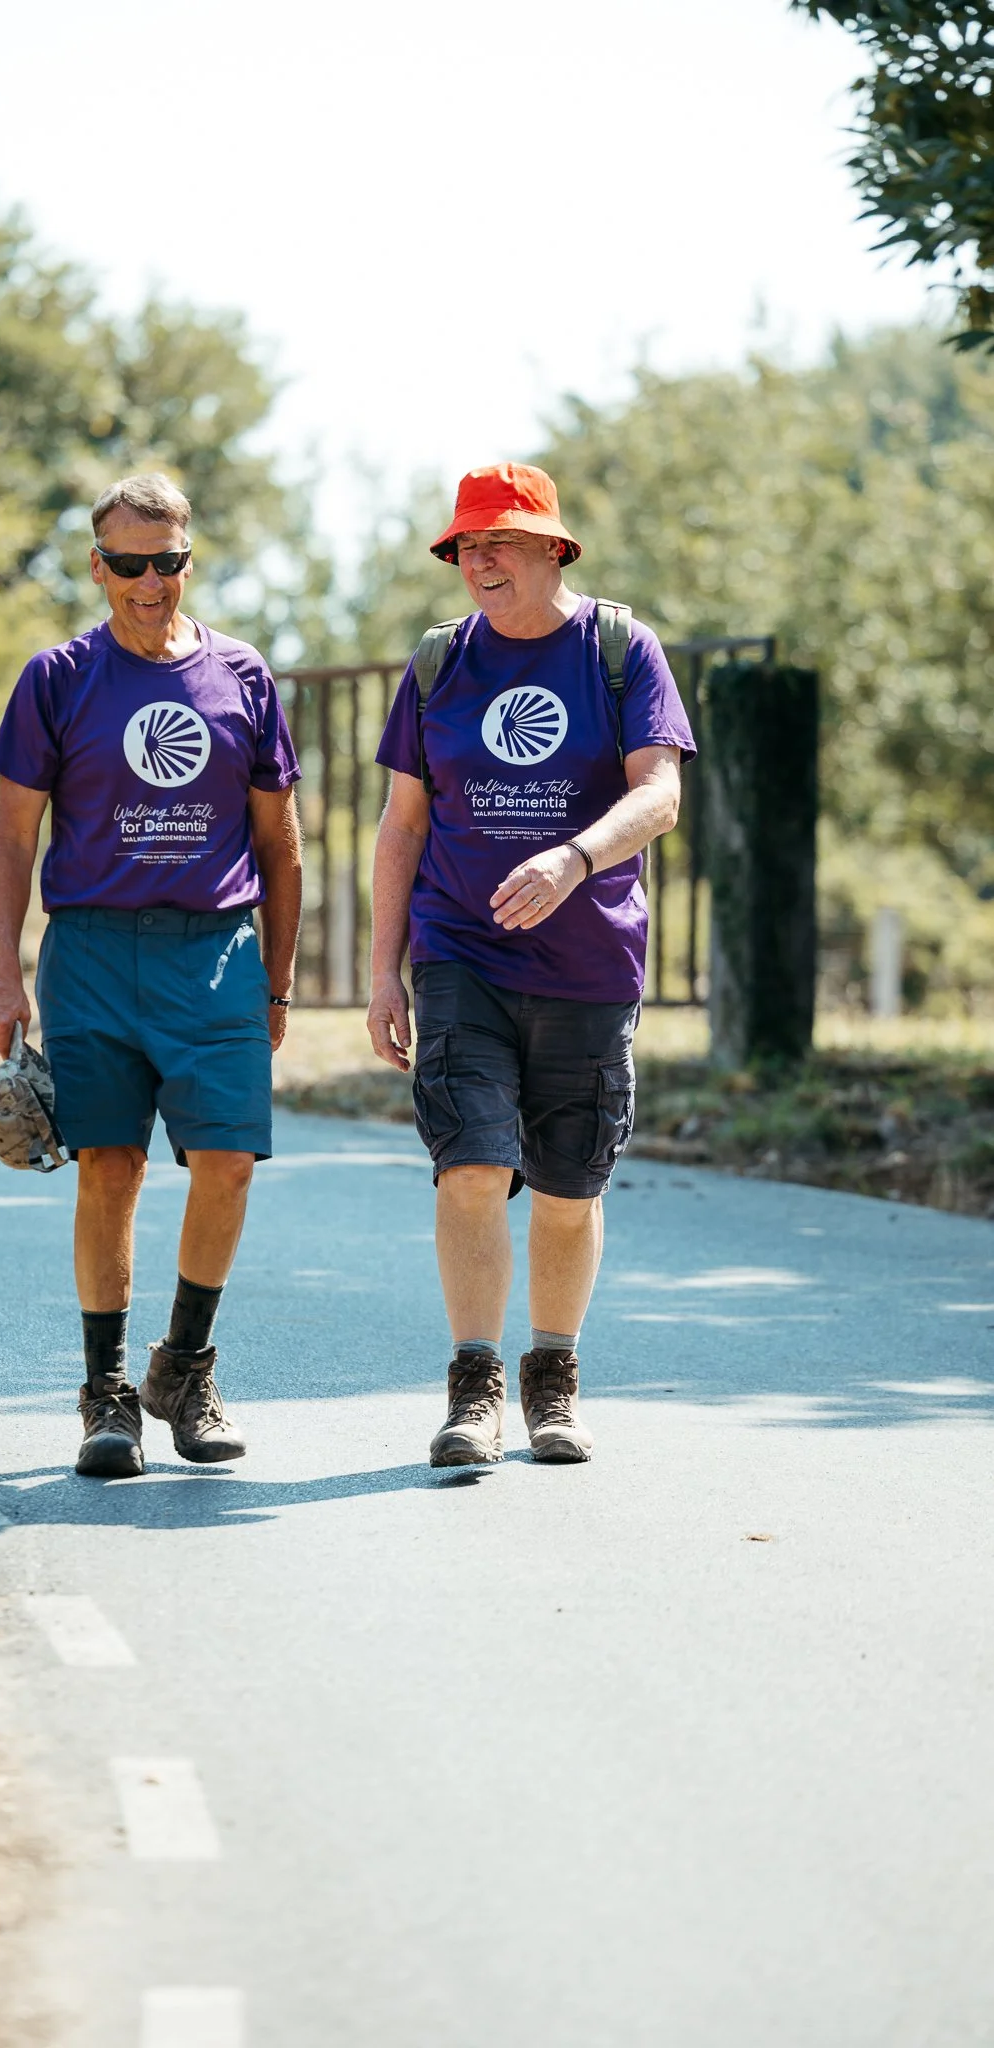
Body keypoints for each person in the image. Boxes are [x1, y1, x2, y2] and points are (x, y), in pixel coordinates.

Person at [367, 462, 694, 1467]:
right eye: (466, 545)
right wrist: (385, 971)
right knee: (471, 1164)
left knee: (565, 1186)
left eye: (500, 542)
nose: (480, 560)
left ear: (555, 547)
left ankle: (554, 1378)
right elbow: (401, 827)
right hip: (463, 953)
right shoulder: (436, 666)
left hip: (590, 961)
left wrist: (576, 855)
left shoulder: (618, 650)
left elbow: (662, 793)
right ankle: (475, 1389)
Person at [0, 473, 302, 1479]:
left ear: (189, 560)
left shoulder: (243, 677)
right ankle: (106, 1393)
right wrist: (2, 975)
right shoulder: (57, 677)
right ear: (98, 565)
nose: (149, 583)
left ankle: (185, 1368)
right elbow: (10, 837)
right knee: (110, 1167)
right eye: (128, 564)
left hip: (215, 955)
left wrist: (278, 984)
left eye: (166, 563)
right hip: (92, 955)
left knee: (229, 1160)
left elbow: (282, 849)